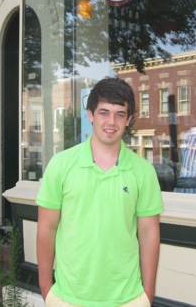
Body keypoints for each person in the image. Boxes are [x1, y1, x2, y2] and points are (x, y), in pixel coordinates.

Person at [36, 77, 164, 307]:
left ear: (129, 120)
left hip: (129, 299)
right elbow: (47, 228)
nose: (111, 122)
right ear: (90, 115)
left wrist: (148, 295)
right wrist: (47, 290)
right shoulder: (61, 165)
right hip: (68, 297)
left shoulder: (143, 171)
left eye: (119, 114)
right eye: (104, 112)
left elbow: (148, 234)